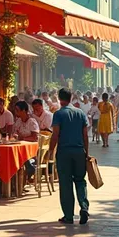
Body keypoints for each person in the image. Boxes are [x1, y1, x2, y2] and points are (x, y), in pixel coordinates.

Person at [49, 87, 89, 225]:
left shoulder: (58, 114)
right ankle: (84, 207)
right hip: (79, 151)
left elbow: (55, 135)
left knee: (65, 184)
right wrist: (86, 153)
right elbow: (85, 135)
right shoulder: (80, 113)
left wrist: (50, 151)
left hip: (64, 152)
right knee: (80, 180)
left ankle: (68, 215)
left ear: (59, 99)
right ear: (71, 98)